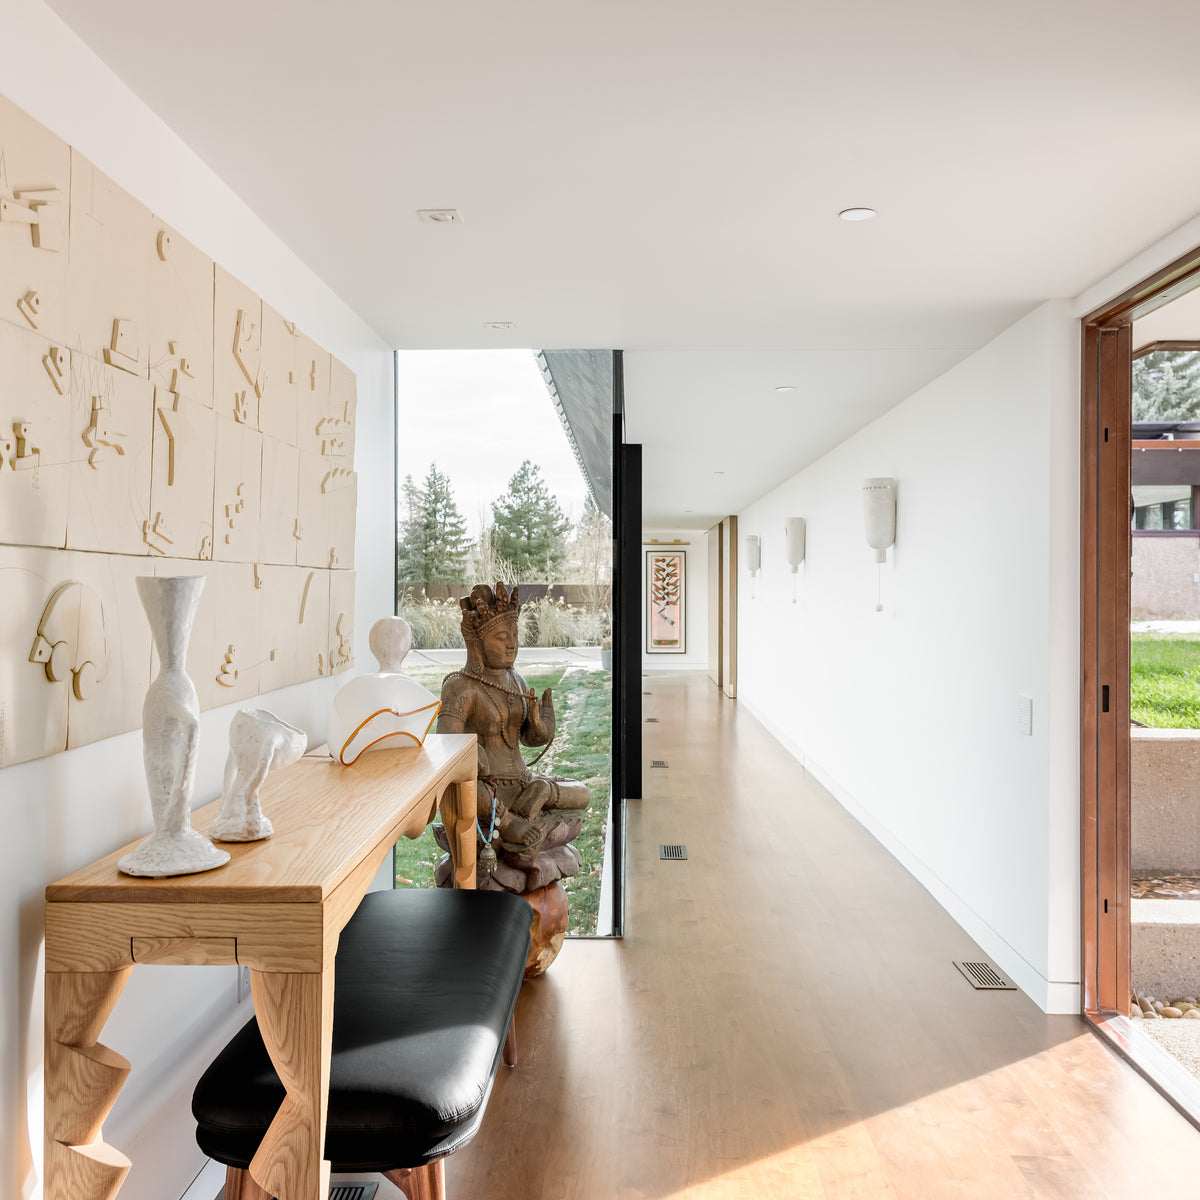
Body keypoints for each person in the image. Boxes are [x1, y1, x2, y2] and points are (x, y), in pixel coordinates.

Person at [437, 582, 588, 894]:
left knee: (583, 793)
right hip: (486, 790)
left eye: (515, 636)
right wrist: (473, 755)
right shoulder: (460, 687)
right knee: (465, 789)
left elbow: (526, 738)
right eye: (501, 637)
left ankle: (542, 790)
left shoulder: (516, 679)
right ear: (477, 642)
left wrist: (542, 727)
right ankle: (508, 824)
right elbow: (447, 754)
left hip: (524, 780)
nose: (511, 645)